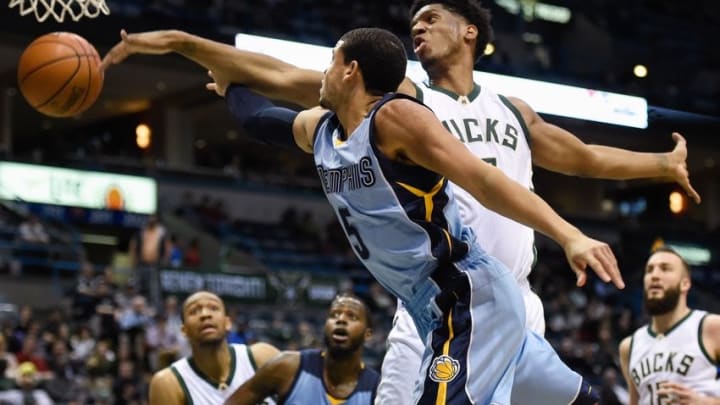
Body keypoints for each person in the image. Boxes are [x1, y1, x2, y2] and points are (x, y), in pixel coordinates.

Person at [101, 1, 700, 401]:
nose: (418, 24)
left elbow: (582, 159)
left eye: (431, 16)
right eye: (411, 20)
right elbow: (272, 92)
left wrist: (658, 167)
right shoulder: (400, 101)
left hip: (489, 291)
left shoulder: (507, 110)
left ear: (470, 30)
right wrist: (193, 49)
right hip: (433, 299)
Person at [225, 294, 379, 405]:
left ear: (368, 334)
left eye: (352, 317)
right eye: (334, 315)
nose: (340, 320)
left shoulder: (379, 390)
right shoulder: (287, 367)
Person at [618, 247, 720, 405]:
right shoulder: (628, 347)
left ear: (685, 284)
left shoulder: (710, 326)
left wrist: (706, 402)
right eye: (649, 270)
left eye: (665, 269)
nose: (655, 275)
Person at [148, 290, 279, 404]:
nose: (205, 314)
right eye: (194, 311)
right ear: (184, 330)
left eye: (214, 308)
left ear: (228, 323)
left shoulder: (262, 356)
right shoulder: (169, 383)